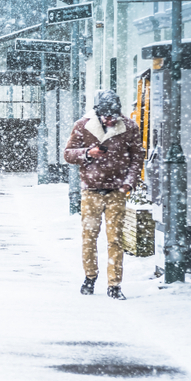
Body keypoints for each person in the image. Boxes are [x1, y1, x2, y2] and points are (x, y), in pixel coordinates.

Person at [64, 89, 145, 300]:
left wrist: (128, 183)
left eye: (114, 116)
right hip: (91, 190)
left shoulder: (129, 127)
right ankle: (90, 277)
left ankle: (114, 285)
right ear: (98, 113)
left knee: (115, 239)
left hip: (116, 191)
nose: (110, 120)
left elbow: (137, 157)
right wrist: (87, 153)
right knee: (89, 237)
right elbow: (67, 154)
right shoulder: (83, 126)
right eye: (106, 116)